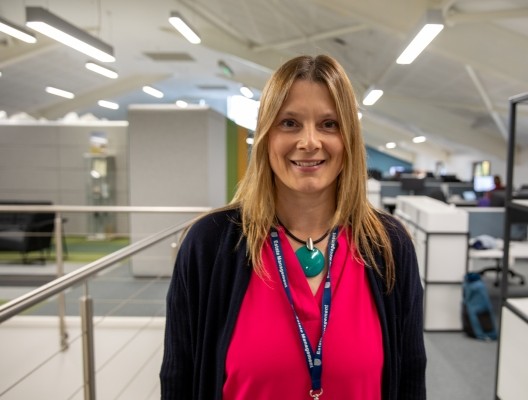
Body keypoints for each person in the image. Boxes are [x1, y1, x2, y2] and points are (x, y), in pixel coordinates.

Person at [160, 54, 426, 400]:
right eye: (290, 123)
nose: (310, 142)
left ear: (349, 138)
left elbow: (410, 379)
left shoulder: (388, 245)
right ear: (267, 135)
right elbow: (178, 377)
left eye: (329, 124)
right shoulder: (209, 245)